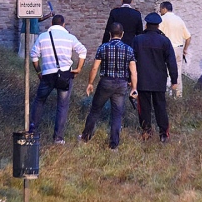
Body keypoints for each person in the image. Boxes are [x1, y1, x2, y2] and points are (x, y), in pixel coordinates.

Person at [29, 14, 87, 144]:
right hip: (65, 75)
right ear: (63, 24)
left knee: (39, 101)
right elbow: (83, 51)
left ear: (51, 24)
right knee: (62, 106)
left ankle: (32, 132)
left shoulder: (42, 37)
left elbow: (33, 55)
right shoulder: (70, 37)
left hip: (47, 75)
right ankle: (58, 138)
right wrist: (78, 68)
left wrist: (38, 71)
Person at [80, 22, 138, 150]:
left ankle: (85, 137)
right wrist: (134, 88)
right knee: (117, 114)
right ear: (122, 34)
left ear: (109, 34)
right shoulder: (129, 49)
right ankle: (114, 145)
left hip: (106, 82)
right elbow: (133, 71)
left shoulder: (103, 47)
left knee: (95, 110)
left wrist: (90, 83)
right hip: (122, 84)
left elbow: (95, 68)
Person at [132, 12, 178, 142]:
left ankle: (146, 132)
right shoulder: (165, 41)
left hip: (142, 80)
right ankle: (164, 134)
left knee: (144, 108)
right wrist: (174, 80)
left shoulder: (137, 40)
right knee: (160, 107)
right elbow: (171, 62)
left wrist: (130, 79)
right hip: (159, 80)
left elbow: (130, 61)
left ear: (146, 24)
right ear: (158, 25)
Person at [158, 1, 191, 97]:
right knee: (178, 72)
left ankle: (166, 95)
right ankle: (178, 96)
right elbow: (188, 37)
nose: (160, 11)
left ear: (164, 9)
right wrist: (185, 50)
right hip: (178, 49)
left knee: (166, 72)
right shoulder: (179, 20)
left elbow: (157, 33)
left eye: (160, 9)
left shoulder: (162, 19)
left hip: (166, 49)